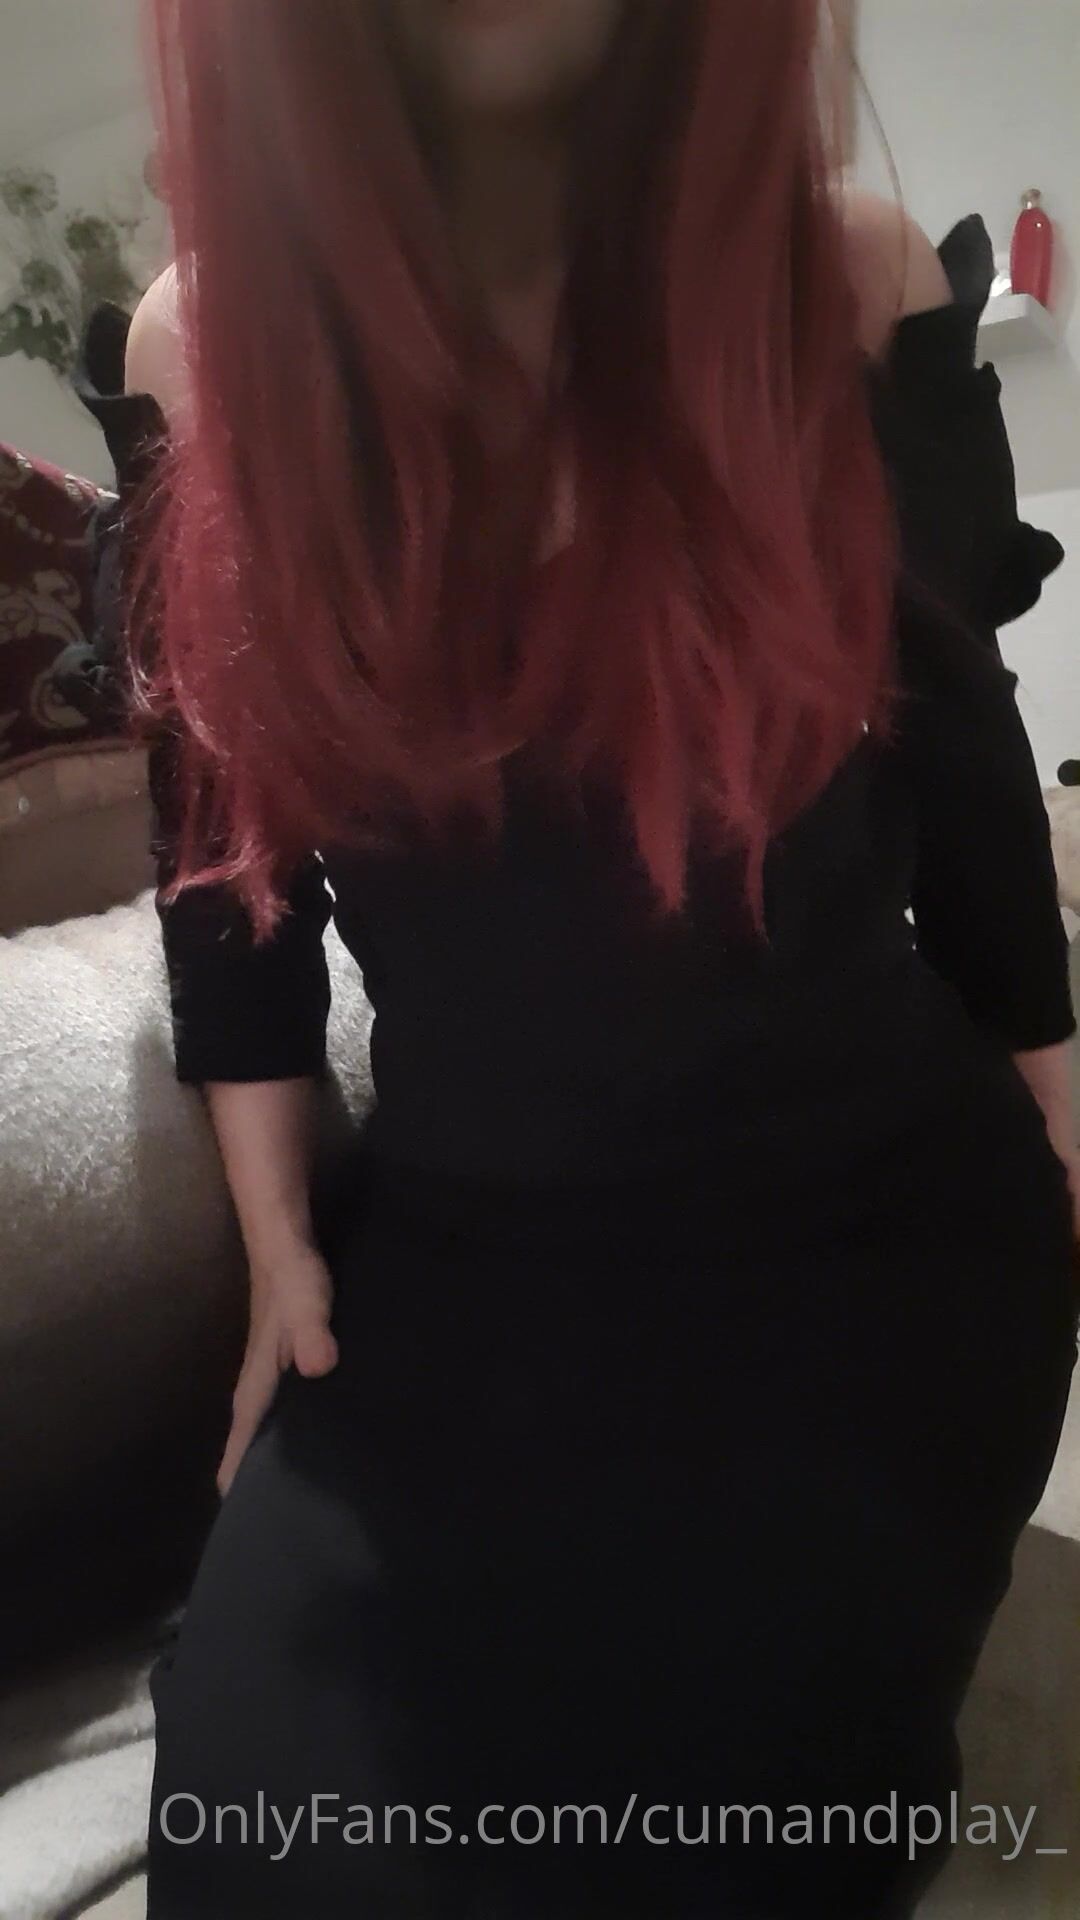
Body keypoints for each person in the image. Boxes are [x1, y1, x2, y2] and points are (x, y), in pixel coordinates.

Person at [110, 2, 1078, 1915]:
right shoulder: (205, 347)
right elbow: (222, 869)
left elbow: (971, 780)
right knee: (259, 1862)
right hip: (463, 1264)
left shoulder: (845, 275)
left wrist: (1067, 1123)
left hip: (871, 1250)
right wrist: (280, 1251)